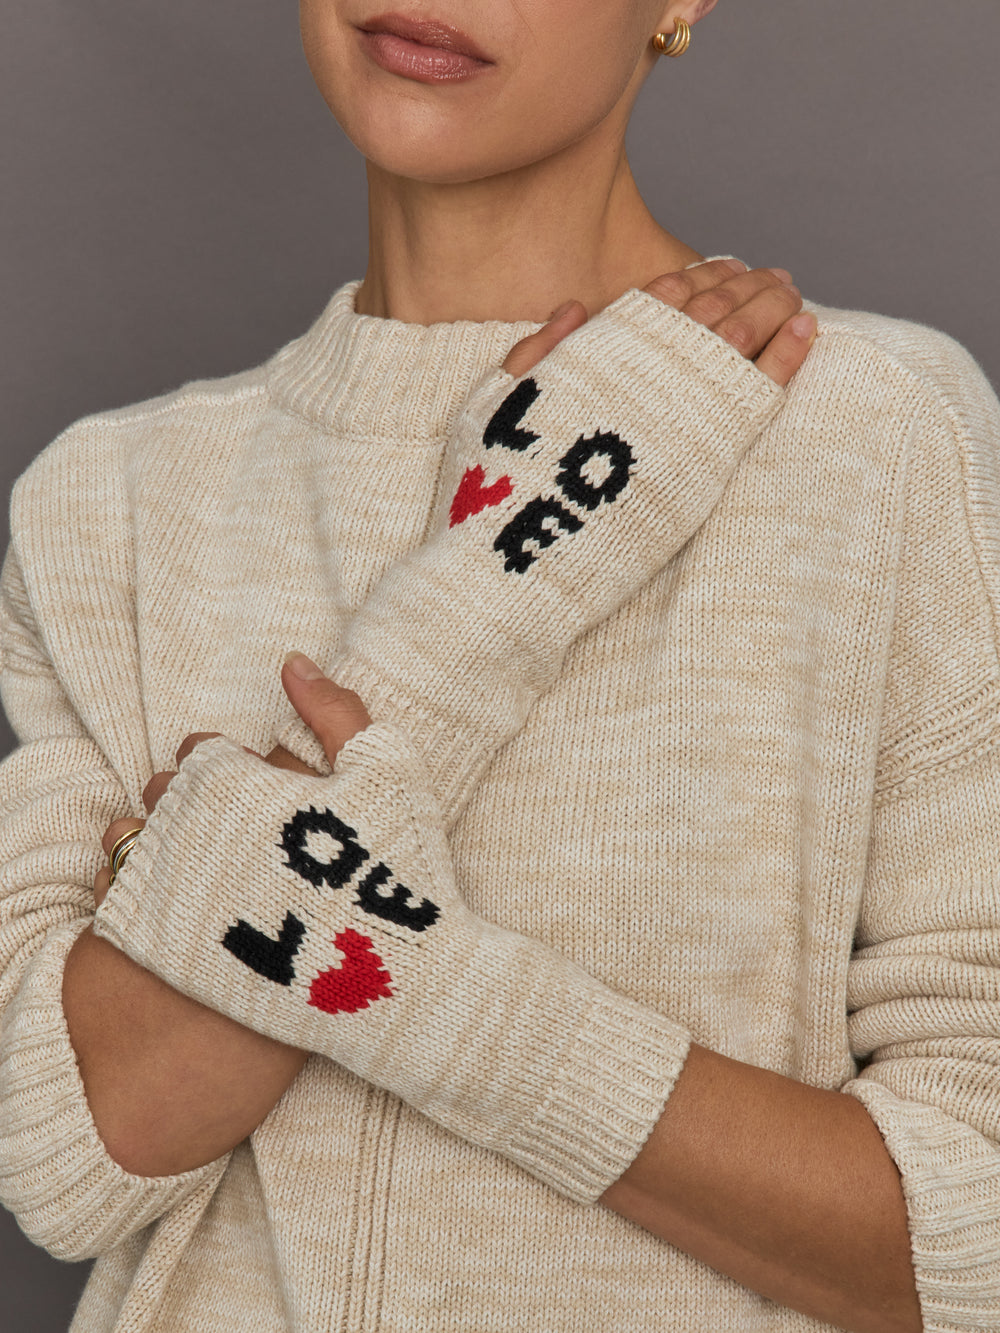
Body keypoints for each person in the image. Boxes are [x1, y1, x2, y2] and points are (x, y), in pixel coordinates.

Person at [0, 1, 997, 1330]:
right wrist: (501, 581)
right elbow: (67, 1158)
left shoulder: (875, 438)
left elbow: (967, 1233)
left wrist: (392, 971)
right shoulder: (105, 506)